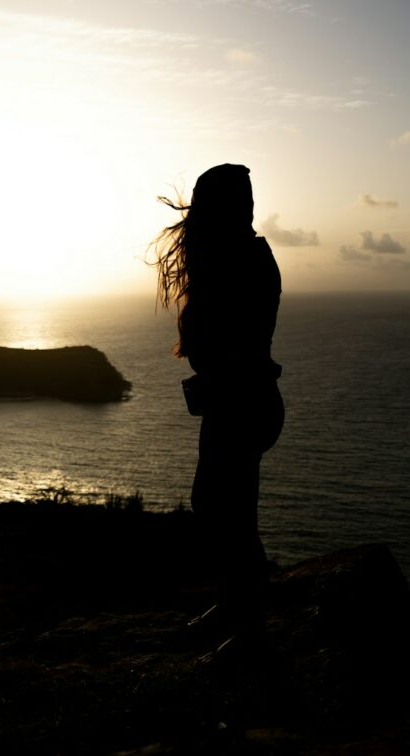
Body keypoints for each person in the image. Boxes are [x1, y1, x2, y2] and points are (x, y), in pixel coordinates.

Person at [154, 163, 284, 658]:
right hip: (237, 402)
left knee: (231, 518)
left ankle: (250, 634)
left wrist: (217, 378)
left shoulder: (245, 261)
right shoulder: (238, 256)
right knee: (217, 510)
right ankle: (234, 608)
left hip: (243, 404)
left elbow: (241, 343)